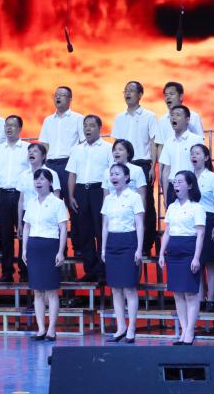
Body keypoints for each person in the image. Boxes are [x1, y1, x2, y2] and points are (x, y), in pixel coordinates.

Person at [111, 81, 158, 255]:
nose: (127, 93)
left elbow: (153, 142)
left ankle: (145, 245)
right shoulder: (119, 118)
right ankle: (128, 242)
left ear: (140, 95)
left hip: (142, 164)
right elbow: (116, 144)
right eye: (126, 90)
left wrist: (153, 166)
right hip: (122, 166)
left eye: (131, 90)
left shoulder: (149, 116)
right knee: (123, 204)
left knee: (145, 205)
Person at [159, 171, 205, 346]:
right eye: (175, 182)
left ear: (190, 185)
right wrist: (161, 253)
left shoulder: (197, 207)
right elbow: (167, 232)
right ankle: (184, 330)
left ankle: (190, 330)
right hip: (173, 253)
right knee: (177, 293)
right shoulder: (172, 207)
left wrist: (196, 257)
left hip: (189, 250)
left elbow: (200, 234)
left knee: (190, 294)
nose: (176, 185)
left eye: (180, 182)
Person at [22, 169, 68, 342]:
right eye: (36, 179)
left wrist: (60, 251)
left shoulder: (57, 203)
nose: (38, 182)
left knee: (51, 290)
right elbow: (27, 227)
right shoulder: (31, 202)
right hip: (34, 246)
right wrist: (24, 249)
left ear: (50, 182)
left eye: (42, 179)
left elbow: (63, 228)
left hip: (50, 245)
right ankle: (41, 328)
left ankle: (51, 329)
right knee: (37, 291)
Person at [67, 115, 114, 282]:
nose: (87, 128)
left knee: (100, 231)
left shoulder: (108, 148)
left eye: (92, 125)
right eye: (85, 125)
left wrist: (108, 196)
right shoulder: (76, 149)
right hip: (81, 191)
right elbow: (72, 174)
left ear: (100, 128)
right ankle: (90, 270)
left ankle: (103, 271)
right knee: (84, 233)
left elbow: (112, 174)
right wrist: (71, 195)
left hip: (99, 191)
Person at [101, 163, 145, 343]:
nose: (114, 177)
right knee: (115, 288)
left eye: (117, 174)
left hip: (128, 241)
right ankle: (121, 327)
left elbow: (139, 224)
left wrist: (139, 249)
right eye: (111, 174)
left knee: (129, 288)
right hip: (112, 242)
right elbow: (105, 225)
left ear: (126, 177)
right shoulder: (108, 199)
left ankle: (132, 328)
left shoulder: (134, 197)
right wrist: (103, 248)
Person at [0, 115, 30, 282]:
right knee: (5, 236)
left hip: (22, 196)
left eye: (13, 125)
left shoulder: (27, 149)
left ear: (20, 128)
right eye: (6, 125)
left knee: (23, 234)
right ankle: (7, 272)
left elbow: (32, 174)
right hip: (3, 195)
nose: (9, 128)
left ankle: (25, 272)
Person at [190, 144, 214, 313]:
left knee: (210, 261)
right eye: (191, 154)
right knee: (196, 260)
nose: (193, 156)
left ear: (205, 157)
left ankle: (211, 298)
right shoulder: (187, 177)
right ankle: (199, 297)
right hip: (191, 221)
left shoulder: (213, 177)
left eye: (197, 153)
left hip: (209, 219)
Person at [37, 86, 84, 198]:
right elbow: (44, 144)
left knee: (71, 200)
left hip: (69, 165)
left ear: (70, 99)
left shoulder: (78, 118)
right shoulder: (48, 120)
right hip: (50, 165)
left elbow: (83, 142)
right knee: (50, 200)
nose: (58, 97)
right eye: (56, 95)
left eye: (61, 95)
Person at [158, 105, 204, 207]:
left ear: (187, 119)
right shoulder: (168, 142)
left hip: (191, 186)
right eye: (172, 115)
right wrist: (165, 196)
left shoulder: (196, 140)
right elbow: (166, 170)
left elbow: (201, 167)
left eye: (178, 115)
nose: (174, 118)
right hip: (173, 187)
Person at [155, 82, 205, 160]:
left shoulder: (193, 117)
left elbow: (200, 143)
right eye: (166, 95)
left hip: (189, 161)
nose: (168, 97)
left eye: (171, 94)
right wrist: (161, 165)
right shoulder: (162, 120)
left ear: (181, 97)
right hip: (169, 162)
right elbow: (160, 145)